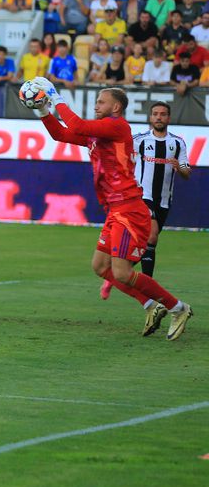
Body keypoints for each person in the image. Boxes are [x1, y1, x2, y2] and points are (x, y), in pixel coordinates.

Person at [30, 79, 193, 340]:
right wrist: (42, 110)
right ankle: (151, 305)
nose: (96, 106)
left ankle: (178, 308)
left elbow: (77, 125)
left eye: (101, 102)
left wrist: (55, 96)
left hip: (128, 208)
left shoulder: (117, 126)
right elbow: (60, 134)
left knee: (122, 272)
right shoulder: (99, 135)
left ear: (116, 107)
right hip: (115, 209)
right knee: (100, 266)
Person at [119, 102, 190, 285]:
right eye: (155, 114)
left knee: (148, 242)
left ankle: (118, 273)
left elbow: (186, 171)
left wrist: (180, 168)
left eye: (163, 114)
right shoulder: (139, 140)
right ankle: (148, 286)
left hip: (164, 200)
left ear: (169, 118)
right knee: (151, 235)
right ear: (150, 117)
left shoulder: (178, 143)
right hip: (142, 196)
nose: (159, 117)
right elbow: (122, 157)